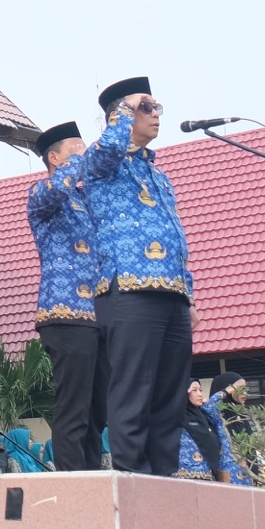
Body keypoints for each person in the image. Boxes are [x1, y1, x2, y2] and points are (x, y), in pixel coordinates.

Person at [83, 79, 195, 477]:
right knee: (132, 390)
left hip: (172, 292)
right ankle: (133, 478)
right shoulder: (101, 163)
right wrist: (125, 108)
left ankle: (163, 479)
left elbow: (176, 236)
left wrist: (189, 295)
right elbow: (106, 152)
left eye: (156, 107)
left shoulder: (159, 176)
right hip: (129, 289)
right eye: (147, 107)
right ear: (122, 114)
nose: (156, 114)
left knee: (170, 397)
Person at [27, 120, 109, 472]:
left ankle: (91, 477)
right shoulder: (41, 193)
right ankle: (72, 482)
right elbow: (56, 188)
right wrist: (78, 161)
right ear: (54, 158)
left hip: (98, 314)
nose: (83, 154)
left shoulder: (85, 199)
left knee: (98, 409)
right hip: (65, 312)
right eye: (75, 149)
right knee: (73, 405)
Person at [176, 379, 239, 482]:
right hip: (185, 478)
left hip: (208, 477)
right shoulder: (177, 417)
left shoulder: (203, 416)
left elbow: (212, 406)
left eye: (200, 390)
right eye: (194, 390)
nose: (200, 394)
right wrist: (228, 389)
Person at [208, 372, 254, 486]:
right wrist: (229, 389)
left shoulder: (241, 415)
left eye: (245, 389)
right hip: (227, 477)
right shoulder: (217, 414)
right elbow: (208, 406)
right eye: (240, 389)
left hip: (247, 475)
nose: (245, 393)